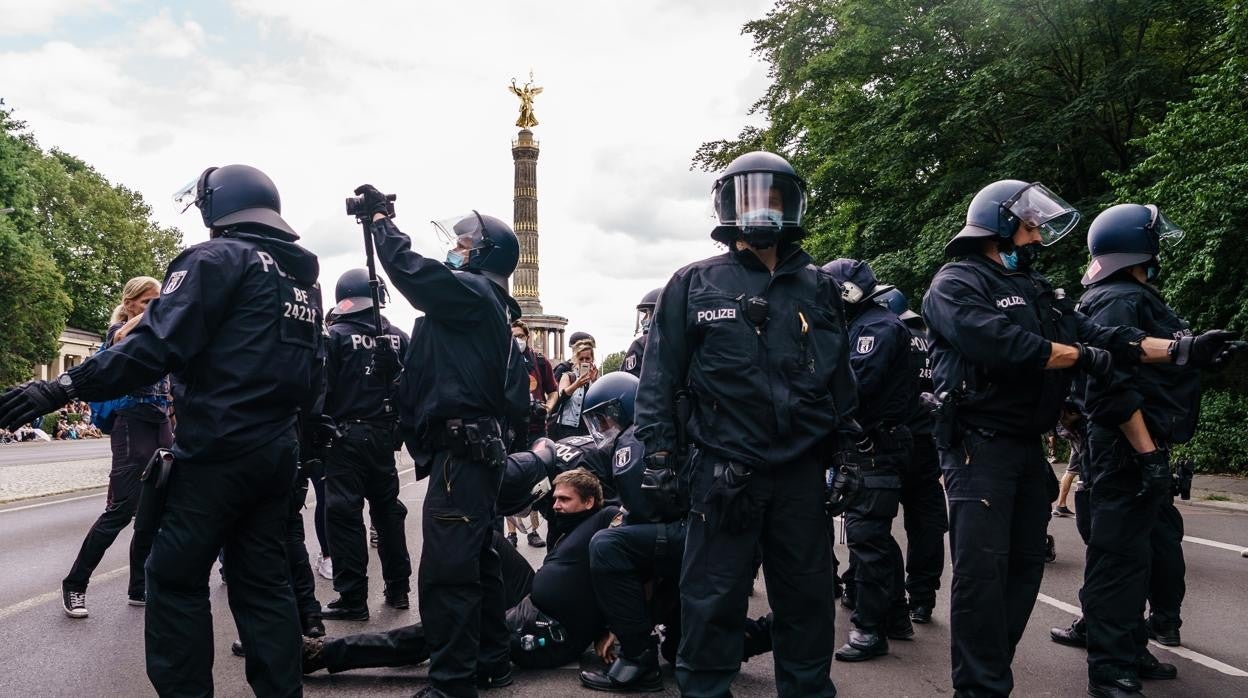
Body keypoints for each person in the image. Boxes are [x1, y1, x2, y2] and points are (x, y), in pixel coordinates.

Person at [0, 164, 325, 696]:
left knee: (174, 578)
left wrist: (61, 389)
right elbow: (315, 375)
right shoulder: (301, 282)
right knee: (264, 585)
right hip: (275, 452)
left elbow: (154, 346)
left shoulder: (216, 258)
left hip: (217, 448)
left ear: (218, 207)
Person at [920, 180, 1237, 698]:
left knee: (1024, 568)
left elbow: (1104, 334)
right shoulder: (955, 283)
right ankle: (978, 689)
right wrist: (1078, 357)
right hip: (978, 447)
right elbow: (998, 343)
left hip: (1024, 449)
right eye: (1030, 226)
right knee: (982, 574)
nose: (1038, 236)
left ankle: (990, 675)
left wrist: (1183, 350)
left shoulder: (1037, 290)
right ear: (998, 225)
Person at [635, 151, 862, 698]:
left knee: (808, 601)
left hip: (800, 476)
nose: (762, 208)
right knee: (711, 601)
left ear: (791, 206)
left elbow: (839, 379)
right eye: (750, 197)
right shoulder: (694, 283)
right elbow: (659, 379)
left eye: (774, 197)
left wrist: (853, 453)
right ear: (729, 207)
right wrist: (660, 456)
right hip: (722, 472)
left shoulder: (819, 286)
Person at [354, 185, 524, 698]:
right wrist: (399, 372)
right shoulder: (474, 306)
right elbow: (445, 383)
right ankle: (491, 659)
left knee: (449, 574)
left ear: (486, 253)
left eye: (466, 244)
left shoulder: (473, 293)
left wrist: (382, 223)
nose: (458, 248)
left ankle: (452, 684)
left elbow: (413, 273)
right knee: (478, 561)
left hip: (463, 455)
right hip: (469, 451)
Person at [1069, 203, 1240, 697]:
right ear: (1137, 246)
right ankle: (1110, 668)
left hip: (1138, 445)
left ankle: (1127, 645)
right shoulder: (1119, 300)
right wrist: (1147, 455)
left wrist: (1202, 355)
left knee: (1138, 556)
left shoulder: (1131, 296)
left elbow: (1157, 365)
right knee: (1117, 558)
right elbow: (1111, 389)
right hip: (1125, 446)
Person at [302, 469, 618, 678]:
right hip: (533, 593)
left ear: (590, 501)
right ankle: (460, 603)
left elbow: (634, 573)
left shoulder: (606, 519)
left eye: (565, 500)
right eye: (555, 499)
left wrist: (611, 629)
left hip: (547, 626)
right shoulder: (567, 526)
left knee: (446, 627)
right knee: (484, 536)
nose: (557, 506)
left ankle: (327, 653)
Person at [822, 260, 918, 662]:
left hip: (874, 448)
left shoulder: (874, 329)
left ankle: (870, 628)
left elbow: (855, 390)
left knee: (867, 539)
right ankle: (895, 615)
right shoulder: (866, 323)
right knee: (875, 537)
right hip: (871, 446)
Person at [60, 275, 171, 617]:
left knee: (156, 510)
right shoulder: (117, 333)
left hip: (161, 420)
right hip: (130, 421)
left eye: (157, 301)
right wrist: (163, 308)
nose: (153, 307)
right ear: (128, 305)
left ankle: (139, 586)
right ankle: (75, 585)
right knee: (121, 510)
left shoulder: (163, 333)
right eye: (146, 302)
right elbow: (123, 337)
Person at [320, 268, 412, 621]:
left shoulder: (335, 337)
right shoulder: (399, 338)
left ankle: (352, 597)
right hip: (384, 439)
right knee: (388, 512)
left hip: (344, 438)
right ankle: (398, 587)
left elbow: (322, 390)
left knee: (343, 514)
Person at [872, 286, 950, 625]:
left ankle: (889, 596)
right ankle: (923, 596)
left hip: (892, 441)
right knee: (926, 523)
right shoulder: (926, 338)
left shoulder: (883, 336)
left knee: (873, 523)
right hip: (928, 443)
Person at [549, 339, 599, 441]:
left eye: (587, 358)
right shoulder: (568, 376)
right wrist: (576, 385)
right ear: (576, 360)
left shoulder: (595, 379)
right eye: (581, 359)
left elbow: (599, 403)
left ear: (592, 359)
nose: (584, 362)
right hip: (567, 428)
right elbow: (561, 397)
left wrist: (594, 381)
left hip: (587, 429)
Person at [622, 287, 661, 377]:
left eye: (649, 314)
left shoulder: (641, 344)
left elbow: (628, 379)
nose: (644, 320)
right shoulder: (684, 342)